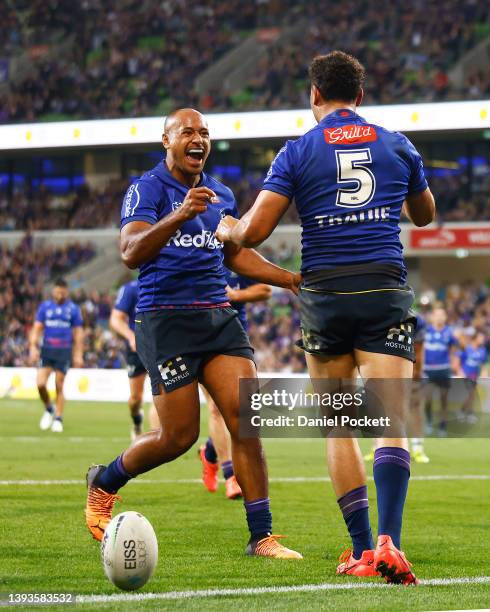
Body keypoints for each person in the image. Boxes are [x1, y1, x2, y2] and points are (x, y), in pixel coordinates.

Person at [216, 51, 435, 583]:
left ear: (314, 95)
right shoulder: (397, 144)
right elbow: (425, 215)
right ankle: (390, 544)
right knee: (390, 421)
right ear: (360, 97)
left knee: (340, 427)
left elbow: (255, 231)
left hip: (325, 295)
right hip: (383, 288)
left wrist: (227, 228)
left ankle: (360, 550)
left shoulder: (296, 152)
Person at [84, 108, 302, 559]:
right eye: (187, 131)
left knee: (247, 423)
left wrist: (290, 279)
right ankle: (103, 482)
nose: (198, 138)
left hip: (217, 319)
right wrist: (179, 214)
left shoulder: (220, 193)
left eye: (204, 132)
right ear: (167, 141)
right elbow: (130, 252)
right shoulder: (147, 189)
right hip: (165, 322)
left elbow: (236, 257)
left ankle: (261, 536)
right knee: (177, 437)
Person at [199, 270, 272, 499]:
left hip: (234, 338)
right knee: (215, 408)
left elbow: (265, 289)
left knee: (239, 410)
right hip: (199, 337)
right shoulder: (191, 250)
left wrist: (236, 295)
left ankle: (210, 453)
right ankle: (231, 475)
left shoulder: (234, 249)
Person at [29, 278, 84, 433]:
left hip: (64, 351)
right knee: (40, 384)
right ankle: (49, 408)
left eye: (63, 291)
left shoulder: (73, 309)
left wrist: (78, 354)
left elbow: (78, 333)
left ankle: (58, 418)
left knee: (59, 384)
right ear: (53, 291)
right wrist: (33, 347)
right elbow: (37, 328)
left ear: (66, 291)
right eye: (57, 291)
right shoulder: (45, 307)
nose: (60, 294)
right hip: (47, 350)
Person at [110, 279, 149, 440]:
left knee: (163, 393)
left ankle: (161, 439)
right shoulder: (131, 289)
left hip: (163, 347)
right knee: (135, 399)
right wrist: (130, 336)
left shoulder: (168, 282)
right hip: (137, 349)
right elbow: (115, 319)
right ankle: (137, 420)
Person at [423, 305, 457, 435]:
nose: (439, 317)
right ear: (432, 317)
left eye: (442, 315)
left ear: (445, 317)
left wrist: (453, 360)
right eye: (437, 315)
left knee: (444, 399)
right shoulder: (426, 331)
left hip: (443, 370)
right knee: (428, 398)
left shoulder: (449, 332)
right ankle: (429, 421)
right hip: (428, 370)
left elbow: (454, 347)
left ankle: (443, 425)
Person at [456, 331, 488, 423]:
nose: (483, 340)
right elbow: (458, 362)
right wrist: (460, 373)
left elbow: (484, 364)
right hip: (466, 375)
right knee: (472, 394)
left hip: (475, 376)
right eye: (481, 338)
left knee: (471, 395)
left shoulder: (483, 350)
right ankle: (470, 414)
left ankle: (462, 411)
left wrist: (484, 375)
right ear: (475, 338)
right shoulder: (466, 348)